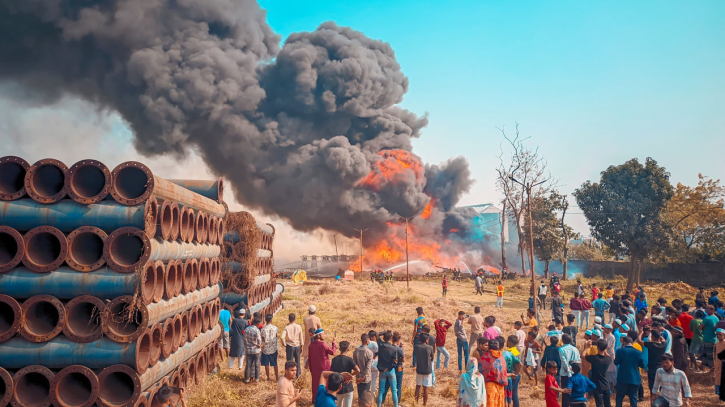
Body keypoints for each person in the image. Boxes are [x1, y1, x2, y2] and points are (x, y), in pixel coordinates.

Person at [614, 336, 644, 407]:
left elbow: (616, 362)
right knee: (633, 398)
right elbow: (642, 364)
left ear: (624, 342)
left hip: (622, 378)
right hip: (634, 379)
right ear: (632, 343)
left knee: (619, 397)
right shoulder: (638, 352)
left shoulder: (620, 351)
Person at [308, 329, 337, 400]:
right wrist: (334, 343)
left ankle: (315, 399)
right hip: (324, 367)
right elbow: (332, 352)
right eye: (323, 334)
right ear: (318, 335)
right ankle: (324, 398)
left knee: (315, 384)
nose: (324, 335)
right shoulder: (323, 344)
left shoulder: (311, 346)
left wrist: (311, 369)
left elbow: (310, 359)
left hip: (314, 368)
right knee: (325, 383)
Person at [331, 341, 359, 407]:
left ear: (339, 349)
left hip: (338, 387)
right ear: (348, 349)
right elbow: (358, 370)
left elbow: (331, 373)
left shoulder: (334, 360)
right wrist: (350, 375)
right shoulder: (349, 360)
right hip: (348, 387)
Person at [585, 339, 612, 407]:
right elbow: (608, 356)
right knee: (608, 404)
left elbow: (582, 355)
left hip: (597, 385)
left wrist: (587, 347)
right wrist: (604, 350)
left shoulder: (595, 358)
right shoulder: (608, 359)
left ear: (597, 348)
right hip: (606, 385)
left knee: (599, 404)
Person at [481, 338, 508, 407]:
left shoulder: (485, 357)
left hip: (489, 385)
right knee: (499, 404)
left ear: (489, 347)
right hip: (501, 386)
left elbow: (480, 370)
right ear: (498, 347)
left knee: (490, 404)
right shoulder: (502, 357)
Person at [377, 331, 399, 407]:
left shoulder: (380, 346)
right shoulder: (393, 349)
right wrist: (389, 368)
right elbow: (395, 362)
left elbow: (377, 335)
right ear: (391, 338)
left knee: (381, 391)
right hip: (390, 371)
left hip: (382, 371)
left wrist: (383, 333)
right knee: (394, 390)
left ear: (383, 338)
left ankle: (379, 405)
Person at [558, 334, 581, 407]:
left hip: (565, 374)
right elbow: (578, 360)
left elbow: (564, 362)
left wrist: (568, 372)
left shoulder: (561, 349)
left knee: (565, 393)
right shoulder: (575, 349)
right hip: (574, 373)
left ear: (563, 340)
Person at [413, 332, 434, 406]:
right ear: (426, 340)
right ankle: (424, 404)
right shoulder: (430, 348)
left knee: (418, 386)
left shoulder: (416, 347)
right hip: (427, 370)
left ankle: (415, 403)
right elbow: (432, 358)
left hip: (419, 369)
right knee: (426, 388)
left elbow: (415, 355)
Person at [282, 313, 305, 377]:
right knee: (297, 361)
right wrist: (302, 345)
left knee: (289, 362)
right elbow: (301, 337)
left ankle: (290, 375)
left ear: (289, 319)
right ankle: (298, 375)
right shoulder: (298, 326)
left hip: (290, 346)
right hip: (297, 345)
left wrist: (284, 344)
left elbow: (282, 337)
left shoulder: (287, 327)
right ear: (295, 319)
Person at [352, 334, 374, 400]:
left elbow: (354, 365)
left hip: (358, 378)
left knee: (360, 397)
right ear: (367, 341)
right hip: (366, 378)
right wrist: (363, 377)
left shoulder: (355, 352)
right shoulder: (369, 353)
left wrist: (360, 377)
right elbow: (368, 367)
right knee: (366, 397)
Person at [244, 313, 264, 383]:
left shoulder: (246, 329)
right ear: (258, 324)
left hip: (248, 350)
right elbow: (259, 341)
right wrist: (258, 345)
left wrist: (247, 345)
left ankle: (246, 379)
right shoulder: (257, 330)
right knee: (257, 365)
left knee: (248, 365)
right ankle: (256, 379)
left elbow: (244, 339)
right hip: (256, 350)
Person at [504, 335, 522, 407]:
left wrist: (515, 374)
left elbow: (518, 364)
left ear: (509, 342)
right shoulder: (516, 351)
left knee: (509, 395)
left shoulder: (509, 352)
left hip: (512, 375)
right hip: (516, 374)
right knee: (514, 394)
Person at [261, 313, 280, 381]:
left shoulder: (263, 329)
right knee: (275, 363)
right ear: (271, 320)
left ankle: (268, 377)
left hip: (266, 348)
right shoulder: (275, 328)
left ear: (265, 320)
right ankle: (277, 377)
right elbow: (276, 337)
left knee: (266, 364)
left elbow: (262, 338)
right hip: (273, 348)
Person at [702, 305, 719, 369]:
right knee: (707, 354)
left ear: (712, 310)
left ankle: (712, 369)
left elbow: (700, 327)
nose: (706, 310)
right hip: (714, 339)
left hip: (708, 338)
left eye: (707, 309)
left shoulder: (707, 318)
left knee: (709, 355)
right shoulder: (716, 318)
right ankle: (704, 367)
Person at [391, 332, 405, 402]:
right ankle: (397, 401)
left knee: (392, 385)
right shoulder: (399, 349)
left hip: (391, 367)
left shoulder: (389, 347)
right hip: (399, 367)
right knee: (398, 385)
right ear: (398, 340)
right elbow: (403, 359)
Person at [715, 328, 725, 397]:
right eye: (717, 334)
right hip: (718, 364)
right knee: (718, 378)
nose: (718, 336)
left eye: (720, 334)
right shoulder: (717, 344)